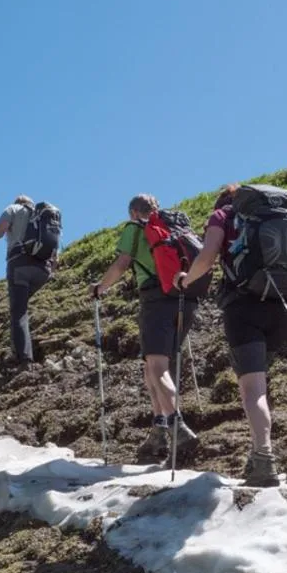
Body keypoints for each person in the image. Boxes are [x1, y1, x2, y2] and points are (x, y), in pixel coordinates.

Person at [176, 184, 287, 487]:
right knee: (259, 385)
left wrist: (186, 279)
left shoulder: (223, 215)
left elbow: (207, 258)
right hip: (283, 308)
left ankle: (263, 459)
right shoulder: (278, 217)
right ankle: (257, 454)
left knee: (253, 389)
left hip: (244, 307)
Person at [89, 194, 200, 461]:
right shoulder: (176, 229)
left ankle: (177, 424)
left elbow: (122, 263)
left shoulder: (136, 228)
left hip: (156, 298)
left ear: (133, 212)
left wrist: (100, 287)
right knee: (152, 365)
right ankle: (159, 428)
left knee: (157, 365)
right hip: (186, 298)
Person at [0, 195, 52, 368]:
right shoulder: (42, 217)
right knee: (21, 307)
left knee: (18, 312)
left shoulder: (13, 209)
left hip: (20, 265)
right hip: (43, 269)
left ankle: (24, 360)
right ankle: (20, 350)